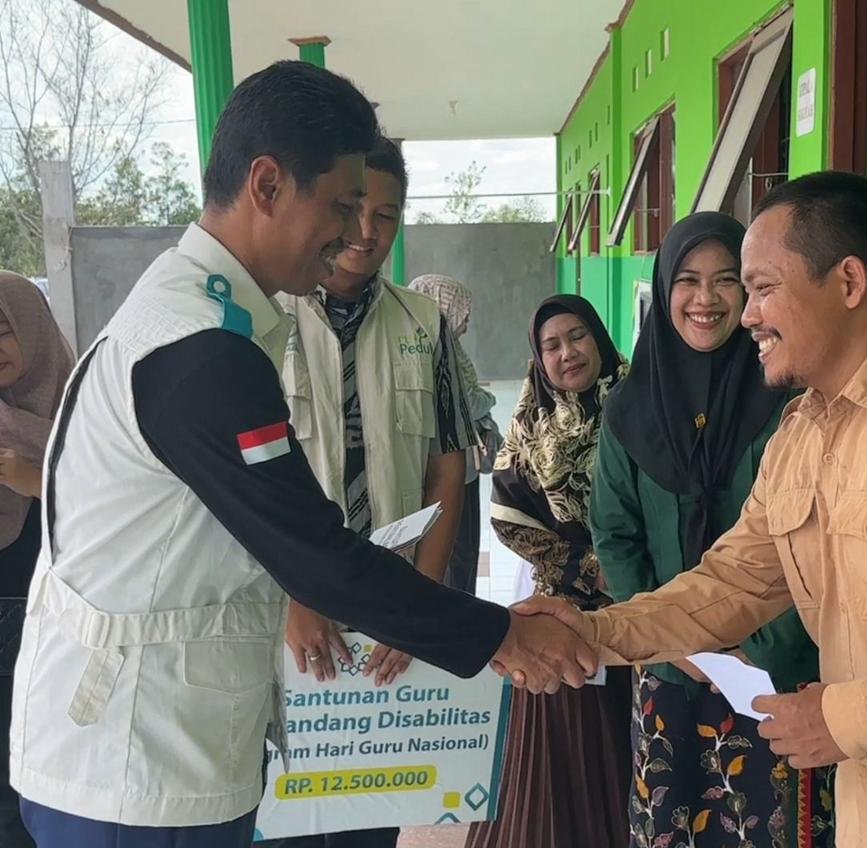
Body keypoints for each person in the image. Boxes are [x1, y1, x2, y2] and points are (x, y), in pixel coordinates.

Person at [8, 60, 593, 848]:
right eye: (343, 206)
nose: (356, 235)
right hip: (137, 771)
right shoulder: (199, 350)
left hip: (161, 746)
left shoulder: (206, 318)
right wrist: (502, 637)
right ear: (268, 185)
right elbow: (314, 554)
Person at [513, 171, 867, 847]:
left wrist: (844, 718)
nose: (746, 314)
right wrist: (595, 632)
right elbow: (735, 580)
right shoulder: (801, 435)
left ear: (848, 283)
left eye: (760, 287)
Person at [592, 211, 833, 847]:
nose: (707, 299)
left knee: (774, 825)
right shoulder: (628, 410)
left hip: (776, 673)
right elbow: (615, 536)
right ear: (664, 288)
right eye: (688, 280)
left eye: (728, 280)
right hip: (670, 673)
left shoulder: (792, 400)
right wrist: (675, 646)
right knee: (675, 824)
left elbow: (812, 541)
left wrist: (755, 652)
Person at [264, 137, 478, 847]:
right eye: (353, 209)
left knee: (371, 809)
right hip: (289, 613)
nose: (365, 231)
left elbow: (446, 466)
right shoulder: (266, 319)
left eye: (386, 215)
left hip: (389, 598)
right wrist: (296, 597)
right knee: (289, 809)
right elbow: (241, 480)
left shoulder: (425, 324)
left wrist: (414, 605)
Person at [466, 294, 631, 848]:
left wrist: (627, 568)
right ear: (539, 359)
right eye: (551, 345)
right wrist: (587, 568)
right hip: (561, 608)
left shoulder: (640, 405)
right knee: (563, 752)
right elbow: (507, 513)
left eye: (577, 336)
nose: (568, 353)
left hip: (643, 604)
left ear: (599, 339)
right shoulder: (532, 421)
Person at [0, 272, 74, 848]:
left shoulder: (87, 417)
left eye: (2, 330)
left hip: (61, 657)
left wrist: (40, 482)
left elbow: (122, 514)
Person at [408, 274, 504, 593]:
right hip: (443, 468)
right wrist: (489, 400)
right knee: (452, 551)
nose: (466, 322)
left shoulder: (449, 349)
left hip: (463, 465)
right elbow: (467, 403)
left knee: (462, 551)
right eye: (462, 313)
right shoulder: (432, 354)